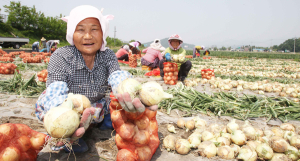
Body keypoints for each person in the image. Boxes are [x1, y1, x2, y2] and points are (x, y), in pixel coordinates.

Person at [35, 5, 158, 153]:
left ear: (102, 33)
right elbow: (55, 89)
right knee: (60, 116)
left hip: (97, 103)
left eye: (94, 29)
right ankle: (69, 136)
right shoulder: (61, 56)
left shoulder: (107, 55)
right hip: (70, 106)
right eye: (80, 29)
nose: (88, 36)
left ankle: (104, 120)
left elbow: (116, 76)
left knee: (114, 105)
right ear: (71, 34)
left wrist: (131, 89)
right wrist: (63, 114)